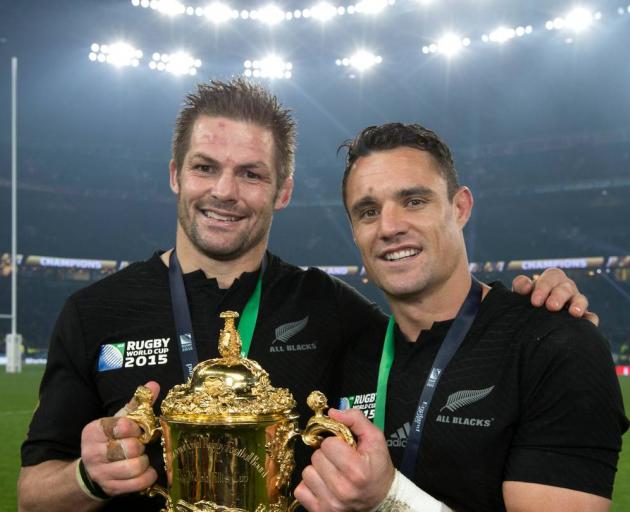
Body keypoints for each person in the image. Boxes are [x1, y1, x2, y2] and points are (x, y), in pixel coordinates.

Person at [18, 81, 593, 512]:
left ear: (284, 190)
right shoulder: (93, 312)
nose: (223, 190)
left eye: (251, 173)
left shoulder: (335, 310)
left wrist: (536, 308)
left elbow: (440, 330)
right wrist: (84, 480)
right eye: (205, 167)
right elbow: (30, 495)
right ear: (175, 174)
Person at [294, 123, 629, 512]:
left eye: (414, 201)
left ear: (460, 207)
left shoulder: (556, 345)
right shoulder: (352, 353)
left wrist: (390, 498)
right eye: (368, 212)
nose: (389, 227)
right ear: (354, 232)